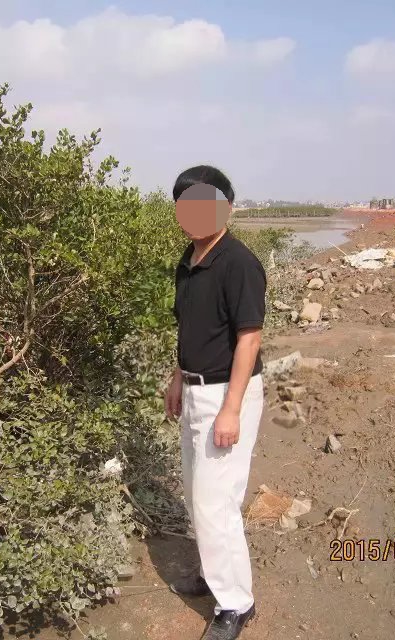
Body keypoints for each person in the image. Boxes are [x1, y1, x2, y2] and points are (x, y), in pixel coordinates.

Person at [164, 165, 266, 640]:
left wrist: (231, 408)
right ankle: (213, 572)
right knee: (196, 493)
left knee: (216, 501)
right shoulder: (189, 260)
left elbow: (249, 338)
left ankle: (236, 603)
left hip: (228, 392)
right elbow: (189, 329)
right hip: (195, 389)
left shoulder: (238, 262)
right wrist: (177, 378)